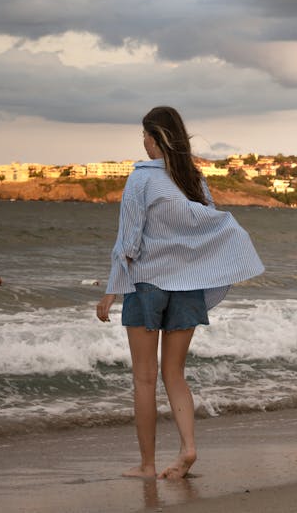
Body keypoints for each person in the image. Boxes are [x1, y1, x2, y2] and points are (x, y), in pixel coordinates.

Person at [96, 106, 264, 479]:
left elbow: (128, 241)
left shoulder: (141, 179)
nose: (142, 142)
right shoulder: (194, 181)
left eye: (144, 135)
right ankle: (188, 448)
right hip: (187, 289)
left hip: (148, 286)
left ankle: (147, 465)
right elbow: (205, 231)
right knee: (174, 373)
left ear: (155, 138)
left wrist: (111, 290)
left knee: (144, 377)